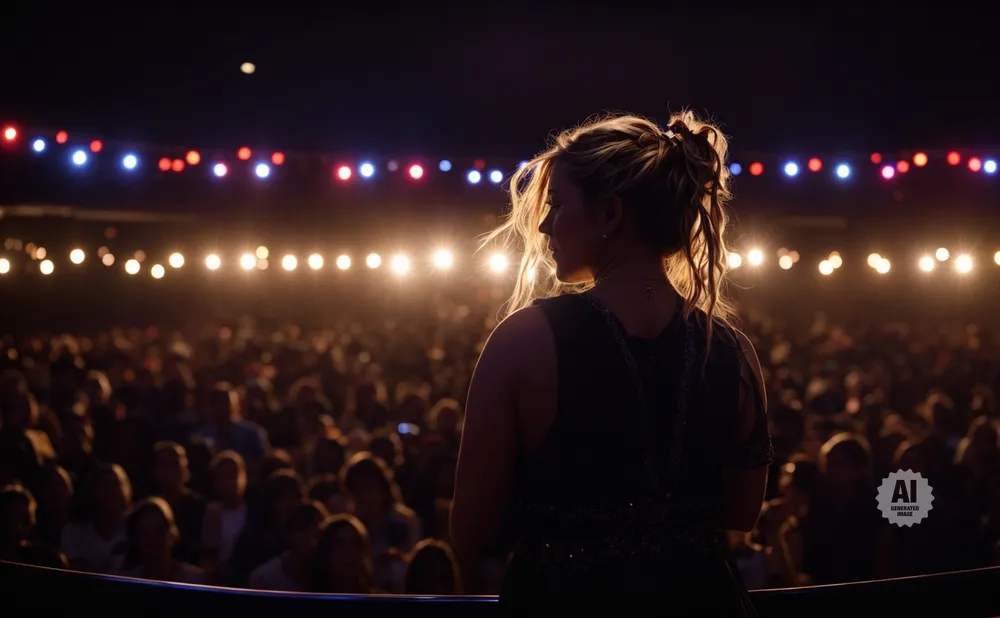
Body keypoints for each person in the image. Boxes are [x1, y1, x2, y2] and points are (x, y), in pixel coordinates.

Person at [451, 112, 773, 614]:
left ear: (610, 214)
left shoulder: (522, 341)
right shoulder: (734, 351)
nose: (545, 224)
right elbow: (742, 512)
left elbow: (471, 528)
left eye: (557, 204)